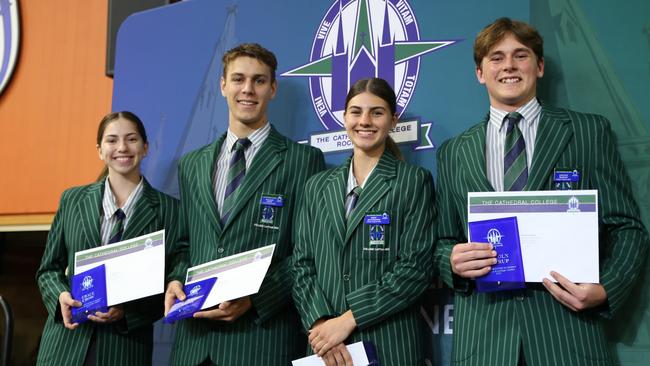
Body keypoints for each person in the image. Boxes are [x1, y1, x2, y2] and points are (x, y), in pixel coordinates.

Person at [433, 17, 649, 366]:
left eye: (520, 55)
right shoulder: (454, 151)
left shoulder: (587, 132)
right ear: (480, 73)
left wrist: (607, 288)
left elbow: (627, 228)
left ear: (540, 66)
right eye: (496, 57)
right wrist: (452, 261)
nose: (509, 66)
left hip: (568, 336)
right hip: (485, 344)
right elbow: (442, 240)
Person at [164, 43, 326, 365]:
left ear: (273, 88)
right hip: (194, 346)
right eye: (238, 79)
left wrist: (255, 298)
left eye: (259, 81)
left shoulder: (302, 161)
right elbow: (185, 243)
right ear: (223, 85)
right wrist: (176, 279)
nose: (248, 90)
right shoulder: (192, 164)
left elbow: (307, 253)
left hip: (260, 342)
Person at [292, 77, 436, 365]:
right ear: (344, 118)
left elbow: (416, 268)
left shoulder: (413, 182)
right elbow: (301, 265)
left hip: (389, 343)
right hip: (326, 348)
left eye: (377, 112)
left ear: (393, 120)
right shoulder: (316, 186)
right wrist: (323, 327)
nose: (365, 121)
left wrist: (349, 319)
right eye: (356, 112)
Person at [36, 111, 179, 365]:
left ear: (145, 147)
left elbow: (172, 283)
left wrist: (127, 313)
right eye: (112, 140)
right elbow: (48, 269)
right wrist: (60, 296)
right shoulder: (72, 200)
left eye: (131, 139)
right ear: (100, 150)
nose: (122, 147)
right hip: (65, 346)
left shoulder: (169, 210)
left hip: (125, 349)